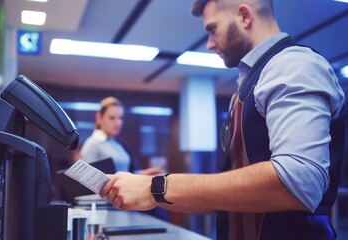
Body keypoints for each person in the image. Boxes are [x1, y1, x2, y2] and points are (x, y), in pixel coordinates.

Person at [100, 0, 347, 239]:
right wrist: (150, 190)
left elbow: (296, 182)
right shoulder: (246, 87)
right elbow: (228, 196)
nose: (208, 44)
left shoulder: (293, 64)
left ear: (244, 15)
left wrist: (157, 188)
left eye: (212, 29)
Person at [80, 96, 161, 175]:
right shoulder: (92, 144)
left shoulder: (117, 144)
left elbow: (123, 174)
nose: (118, 123)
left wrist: (142, 174)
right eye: (112, 118)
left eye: (120, 118)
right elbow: (87, 180)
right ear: (99, 118)